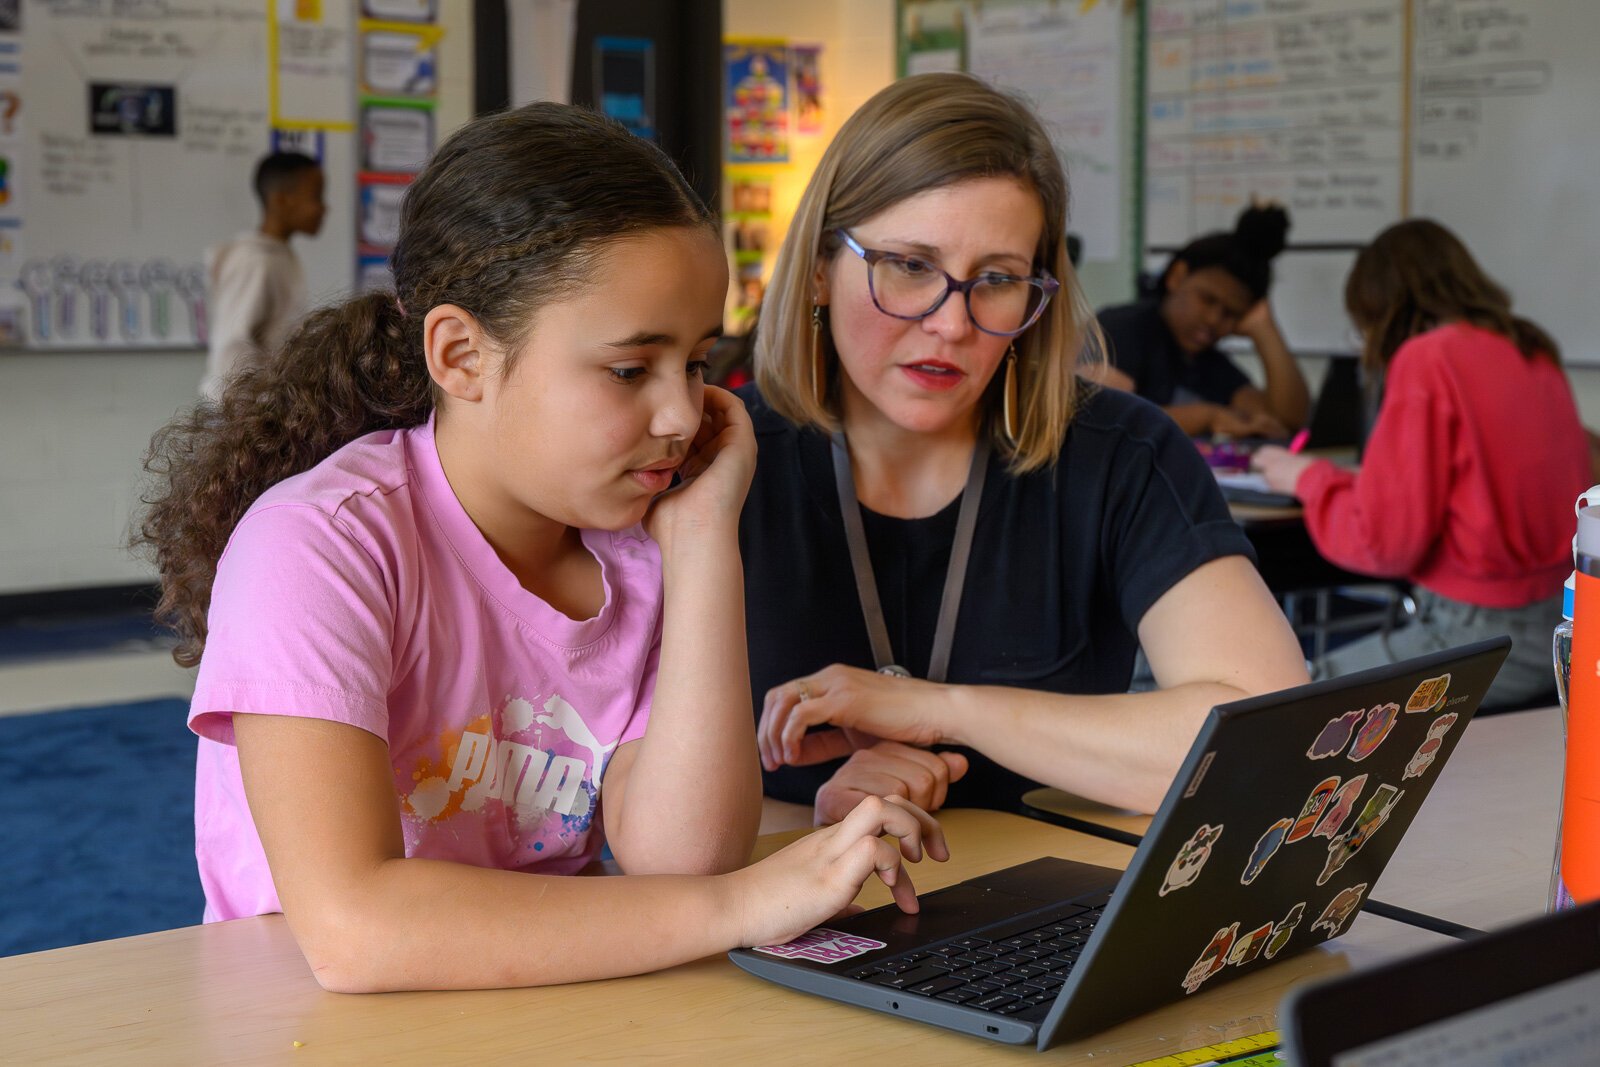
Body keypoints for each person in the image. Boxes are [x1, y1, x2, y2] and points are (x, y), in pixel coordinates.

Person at [133, 103, 946, 993]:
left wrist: (708, 538)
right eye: (631, 370)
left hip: (544, 1006)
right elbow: (353, 929)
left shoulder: (638, 549)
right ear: (461, 354)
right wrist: (754, 901)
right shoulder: (320, 546)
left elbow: (686, 858)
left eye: (699, 364)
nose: (681, 415)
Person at [738, 73, 1309, 826]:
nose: (951, 323)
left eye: (998, 279)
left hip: (1050, 914)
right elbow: (613, 798)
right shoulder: (720, 457)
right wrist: (817, 819)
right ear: (818, 267)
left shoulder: (1123, 453)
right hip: (776, 918)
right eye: (909, 265)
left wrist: (940, 710)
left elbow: (1272, 743)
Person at [1253, 219, 1589, 709]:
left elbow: (1385, 543)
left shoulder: (1427, 358)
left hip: (1479, 636)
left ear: (1380, 309)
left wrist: (1307, 477)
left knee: (1291, 701)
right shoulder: (1532, 348)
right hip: (1564, 629)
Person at [1093, 203, 1309, 439]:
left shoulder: (1207, 362)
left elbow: (1286, 420)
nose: (1214, 319)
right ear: (1177, 276)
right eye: (1207, 300)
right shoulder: (1123, 327)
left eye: (1231, 313)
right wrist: (1209, 417)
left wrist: (1265, 329)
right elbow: (1105, 416)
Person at [199, 151, 326, 401]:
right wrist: (253, 414)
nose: (323, 208)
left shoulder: (279, 255)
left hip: (262, 407)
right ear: (282, 201)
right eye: (316, 197)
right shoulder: (255, 261)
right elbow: (232, 348)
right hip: (240, 413)